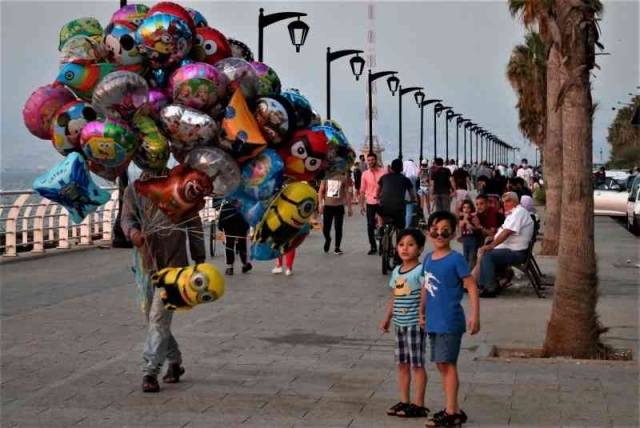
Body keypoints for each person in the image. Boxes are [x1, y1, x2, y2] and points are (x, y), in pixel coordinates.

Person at [121, 170, 206, 393]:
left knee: (158, 318)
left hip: (174, 266)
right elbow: (126, 218)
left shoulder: (179, 185)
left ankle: (150, 371)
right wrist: (133, 233)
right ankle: (175, 361)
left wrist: (199, 259)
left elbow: (194, 222)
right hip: (145, 264)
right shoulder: (133, 189)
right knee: (152, 319)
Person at [422, 211, 480, 427]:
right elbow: (425, 287)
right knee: (441, 364)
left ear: (453, 234)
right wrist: (421, 312)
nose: (439, 234)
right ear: (428, 232)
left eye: (445, 230)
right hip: (434, 321)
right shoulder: (428, 258)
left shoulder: (456, 259)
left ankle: (452, 411)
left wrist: (475, 315)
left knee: (448, 364)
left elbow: (471, 285)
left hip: (450, 321)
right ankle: (452, 408)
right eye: (435, 229)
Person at [380, 229, 429, 419]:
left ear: (420, 249)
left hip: (415, 325)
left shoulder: (420, 271)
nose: (405, 248)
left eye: (410, 244)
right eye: (401, 244)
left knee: (417, 364)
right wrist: (387, 317)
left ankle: (419, 404)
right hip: (400, 325)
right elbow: (395, 296)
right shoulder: (397, 271)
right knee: (402, 364)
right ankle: (404, 400)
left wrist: (423, 314)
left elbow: (426, 294)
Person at [473, 192, 534, 297]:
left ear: (516, 201)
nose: (505, 204)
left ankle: (490, 287)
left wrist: (492, 245)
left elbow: (507, 232)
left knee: (487, 255)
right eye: (503, 202)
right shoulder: (514, 213)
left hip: (516, 252)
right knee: (484, 251)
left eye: (508, 201)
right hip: (511, 249)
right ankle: (483, 285)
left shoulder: (519, 213)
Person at [359, 153, 388, 255]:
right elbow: (362, 190)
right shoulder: (365, 174)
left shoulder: (384, 172)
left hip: (381, 202)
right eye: (369, 160)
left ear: (376, 160)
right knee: (370, 225)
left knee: (382, 225)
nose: (371, 162)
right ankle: (373, 246)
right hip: (370, 202)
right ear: (367, 161)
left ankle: (382, 246)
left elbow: (387, 187)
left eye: (372, 160)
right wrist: (361, 205)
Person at [378, 159, 416, 232]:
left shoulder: (384, 177)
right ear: (402, 168)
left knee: (379, 212)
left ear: (391, 167)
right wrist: (411, 200)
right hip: (398, 208)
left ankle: (381, 227)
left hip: (384, 208)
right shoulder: (406, 179)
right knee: (400, 227)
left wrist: (379, 197)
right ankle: (400, 237)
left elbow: (377, 192)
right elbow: (412, 195)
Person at [319, 172, 352, 255]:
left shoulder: (343, 178)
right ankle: (328, 239)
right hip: (328, 206)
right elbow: (321, 191)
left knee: (338, 227)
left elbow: (347, 192)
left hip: (339, 206)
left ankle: (337, 247)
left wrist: (349, 207)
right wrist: (320, 204)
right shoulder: (326, 176)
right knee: (326, 228)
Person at [218, 201, 252, 276]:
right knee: (242, 247)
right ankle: (245, 263)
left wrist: (221, 228)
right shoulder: (243, 205)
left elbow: (221, 220)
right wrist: (247, 228)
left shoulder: (225, 206)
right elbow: (248, 218)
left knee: (229, 247)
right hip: (241, 228)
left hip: (229, 228)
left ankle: (230, 267)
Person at [458, 200, 478, 269]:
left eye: (468, 207)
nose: (466, 209)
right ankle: (466, 271)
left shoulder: (473, 217)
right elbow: (460, 226)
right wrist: (465, 219)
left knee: (472, 256)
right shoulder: (461, 218)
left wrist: (470, 224)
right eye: (464, 207)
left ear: (471, 209)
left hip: (473, 239)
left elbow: (476, 228)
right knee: (465, 256)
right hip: (465, 239)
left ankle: (472, 271)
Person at [403, 159, 420, 227]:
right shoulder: (414, 176)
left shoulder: (402, 175)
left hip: (401, 196)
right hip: (411, 196)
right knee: (409, 212)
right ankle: (407, 227)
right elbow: (418, 187)